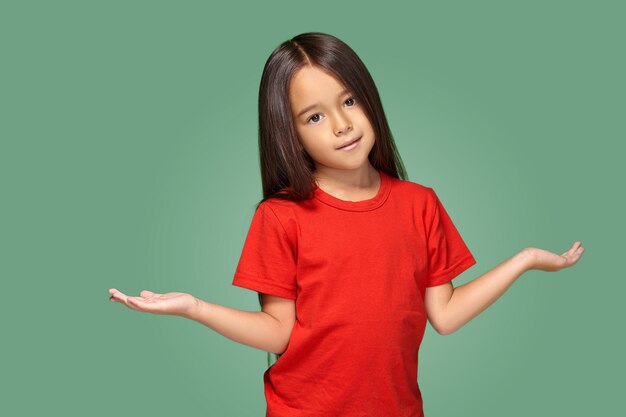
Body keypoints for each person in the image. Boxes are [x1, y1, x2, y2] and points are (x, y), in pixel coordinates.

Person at [108, 32, 585, 417]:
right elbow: (278, 333)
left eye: (349, 101)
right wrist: (193, 307)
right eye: (314, 116)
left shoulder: (420, 204)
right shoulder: (280, 215)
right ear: (289, 133)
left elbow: (446, 313)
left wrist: (524, 260)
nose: (341, 124)